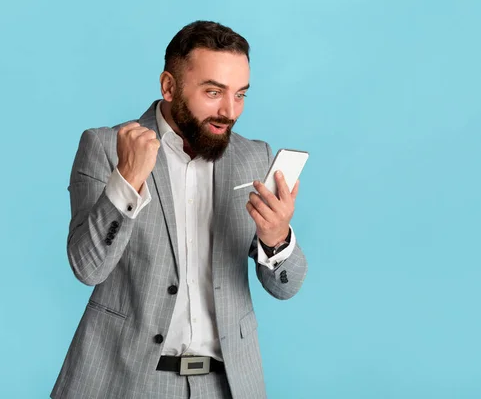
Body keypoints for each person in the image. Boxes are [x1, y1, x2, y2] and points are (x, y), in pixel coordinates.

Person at [51, 20, 308, 399]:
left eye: (240, 95)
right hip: (122, 381)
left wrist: (276, 238)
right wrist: (127, 180)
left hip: (226, 385)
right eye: (213, 92)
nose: (229, 110)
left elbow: (286, 287)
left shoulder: (254, 157)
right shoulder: (107, 147)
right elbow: (88, 268)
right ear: (168, 86)